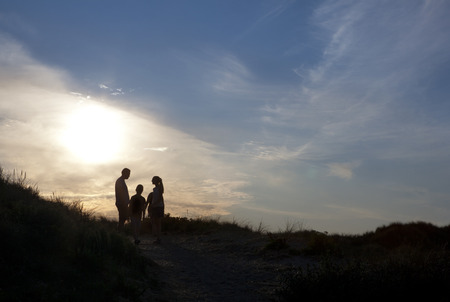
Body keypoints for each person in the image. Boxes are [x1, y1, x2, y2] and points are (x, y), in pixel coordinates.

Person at [148, 176, 164, 244]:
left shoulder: (160, 188)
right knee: (155, 222)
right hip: (155, 206)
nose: (152, 181)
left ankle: (159, 238)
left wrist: (154, 204)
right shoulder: (154, 189)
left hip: (158, 206)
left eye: (153, 180)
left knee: (158, 223)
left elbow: (160, 198)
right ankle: (157, 236)